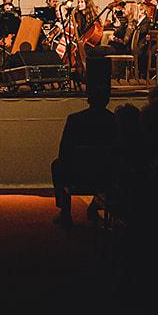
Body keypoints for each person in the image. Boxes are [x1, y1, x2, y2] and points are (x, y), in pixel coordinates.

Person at [51, 77, 117, 225]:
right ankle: (96, 205)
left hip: (78, 172)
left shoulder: (75, 120)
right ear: (107, 100)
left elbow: (64, 150)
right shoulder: (113, 120)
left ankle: (65, 212)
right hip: (105, 173)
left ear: (88, 99)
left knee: (57, 165)